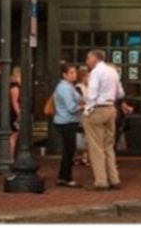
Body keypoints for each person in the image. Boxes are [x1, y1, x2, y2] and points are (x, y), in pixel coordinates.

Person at [83, 49, 122, 190]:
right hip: (111, 108)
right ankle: (114, 178)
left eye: (88, 58)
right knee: (108, 146)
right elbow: (120, 92)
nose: (87, 61)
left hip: (98, 109)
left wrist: (87, 110)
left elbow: (92, 94)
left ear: (95, 58)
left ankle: (101, 181)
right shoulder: (113, 71)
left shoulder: (95, 72)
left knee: (96, 147)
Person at [52, 62, 83, 187]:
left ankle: (64, 176)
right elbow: (71, 107)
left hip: (69, 120)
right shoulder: (64, 88)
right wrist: (84, 106)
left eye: (75, 72)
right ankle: (65, 177)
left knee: (69, 150)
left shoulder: (70, 86)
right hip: (66, 121)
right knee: (69, 150)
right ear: (64, 74)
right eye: (71, 72)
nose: (74, 75)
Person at [6, 68, 22, 160]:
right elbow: (14, 102)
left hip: (15, 113)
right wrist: (19, 113)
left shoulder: (14, 87)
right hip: (14, 114)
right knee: (13, 136)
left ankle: (12, 156)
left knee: (15, 136)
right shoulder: (15, 88)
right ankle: (11, 157)